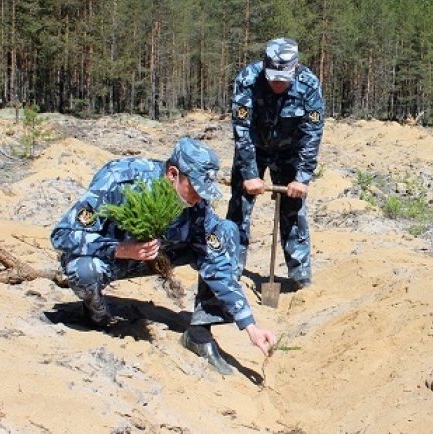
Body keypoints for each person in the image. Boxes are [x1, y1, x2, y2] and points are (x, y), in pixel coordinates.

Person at [50, 137, 276, 376]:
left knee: (226, 232)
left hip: (161, 257)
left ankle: (199, 333)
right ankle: (95, 315)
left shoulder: (196, 205)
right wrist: (121, 248)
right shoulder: (120, 179)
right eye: (196, 188)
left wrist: (250, 326)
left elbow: (216, 262)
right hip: (113, 257)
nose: (200, 198)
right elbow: (62, 235)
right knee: (83, 270)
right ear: (172, 173)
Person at [227, 37, 325, 289]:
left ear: (295, 68)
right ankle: (229, 269)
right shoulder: (248, 80)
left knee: (294, 209)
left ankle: (299, 274)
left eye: (284, 78)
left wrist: (301, 177)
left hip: (289, 152)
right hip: (254, 149)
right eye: (273, 77)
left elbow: (312, 133)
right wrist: (249, 173)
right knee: (239, 208)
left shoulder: (308, 85)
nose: (278, 83)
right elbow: (242, 129)